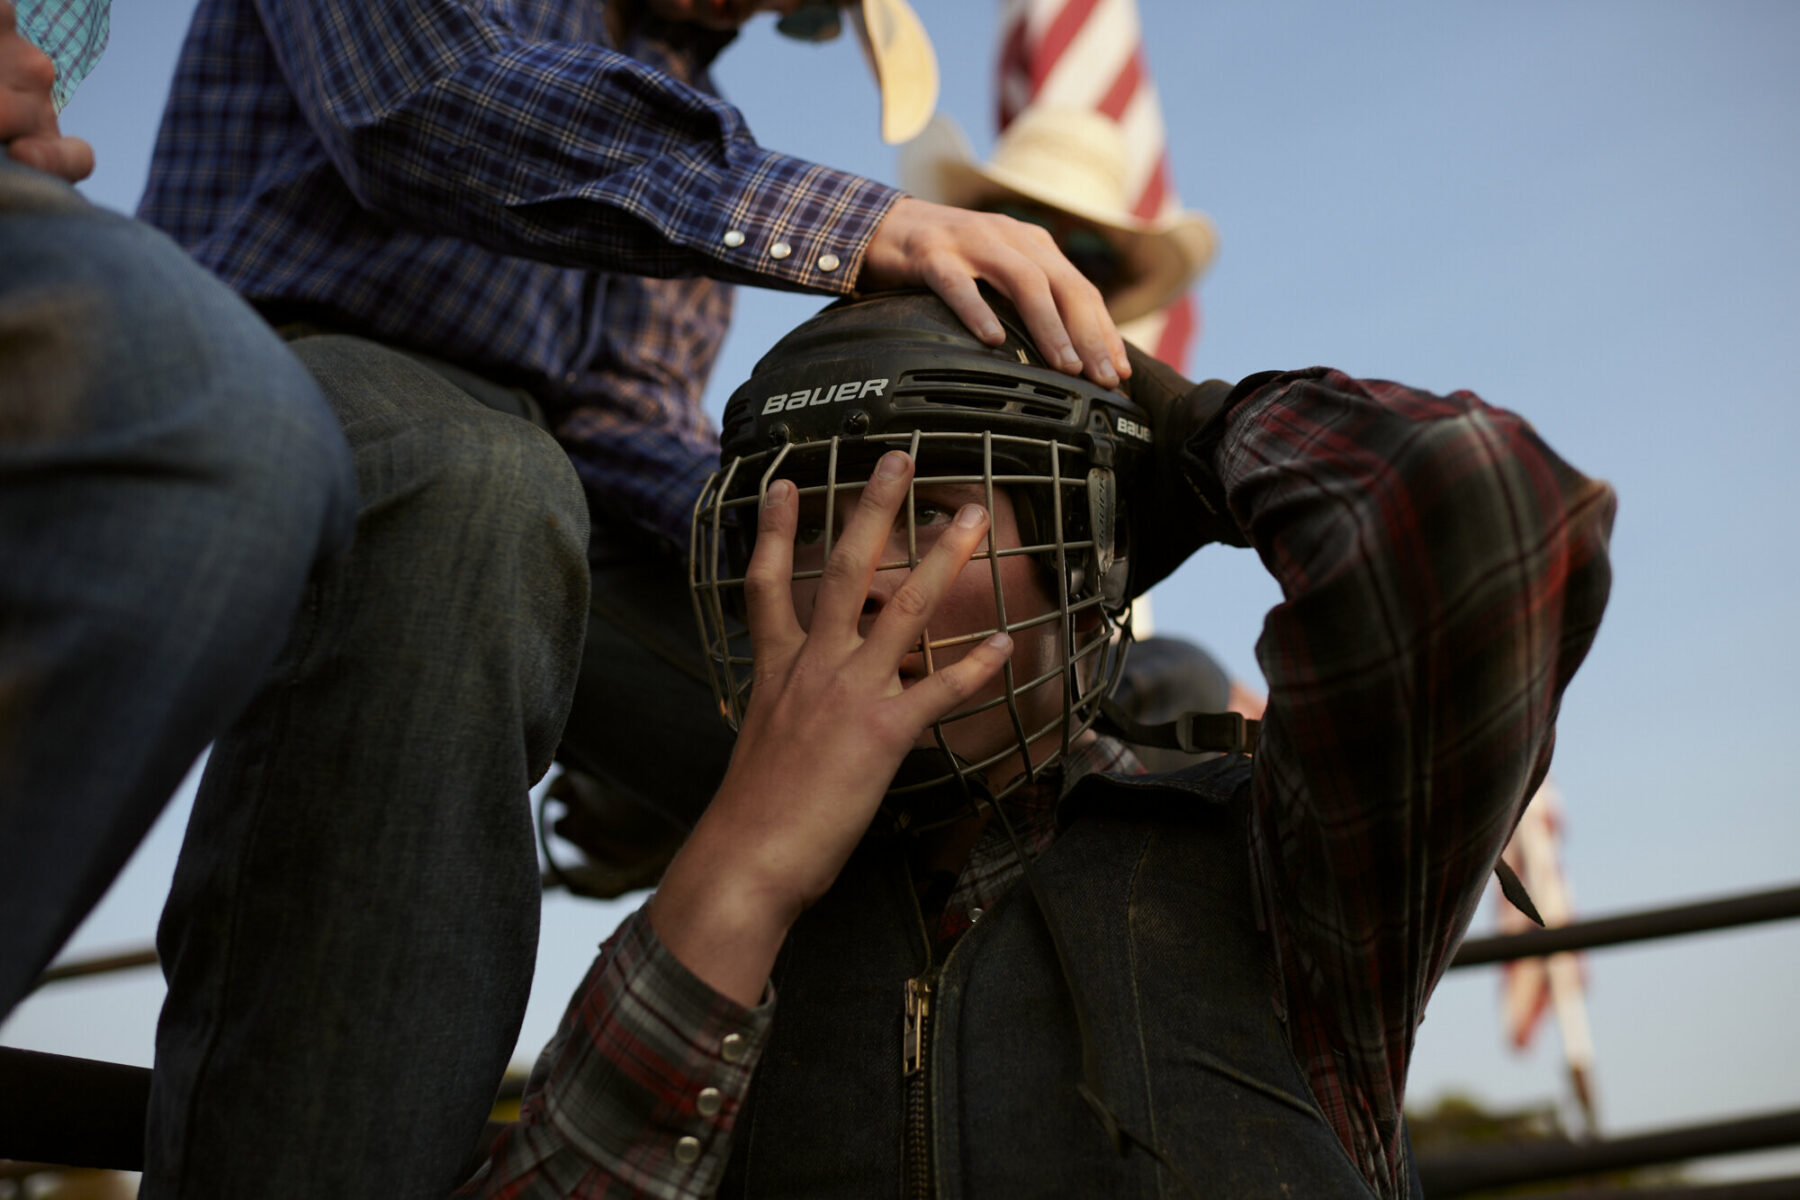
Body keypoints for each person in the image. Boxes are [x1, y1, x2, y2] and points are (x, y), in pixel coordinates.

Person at [131, 2, 1135, 1196]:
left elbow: (624, 422)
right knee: (469, 492)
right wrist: (860, 222)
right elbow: (424, 102)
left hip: (551, 487)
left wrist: (820, 524)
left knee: (907, 713)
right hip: (258, 369)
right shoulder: (664, 146)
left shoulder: (684, 114)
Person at [462, 289, 1616, 1197]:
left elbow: (1477, 504)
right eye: (806, 525)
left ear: (1079, 574)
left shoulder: (1270, 872)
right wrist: (739, 878)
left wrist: (1191, 432)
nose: (857, 587)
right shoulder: (713, 939)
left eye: (923, 512)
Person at [0, 0, 355, 1016]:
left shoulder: (694, 85)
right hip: (302, 342)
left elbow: (623, 400)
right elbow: (415, 111)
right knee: (204, 416)